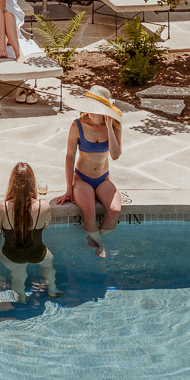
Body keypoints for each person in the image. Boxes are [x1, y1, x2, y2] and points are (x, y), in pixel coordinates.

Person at [54, 86, 123, 256]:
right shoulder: (77, 126)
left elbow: (115, 155)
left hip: (103, 179)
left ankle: (94, 238)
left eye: (94, 109)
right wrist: (69, 189)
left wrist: (108, 128)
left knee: (114, 211)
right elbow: (70, 157)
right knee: (90, 212)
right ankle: (100, 244)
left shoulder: (115, 127)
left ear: (104, 111)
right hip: (82, 179)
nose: (88, 111)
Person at [0, 161, 60, 300]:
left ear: (12, 183)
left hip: (12, 256)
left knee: (18, 274)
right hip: (37, 253)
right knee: (49, 264)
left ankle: (21, 298)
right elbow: (45, 225)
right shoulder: (44, 206)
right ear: (32, 183)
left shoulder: (2, 208)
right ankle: (53, 288)